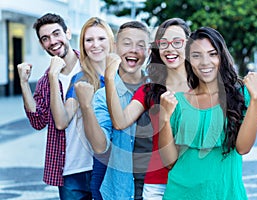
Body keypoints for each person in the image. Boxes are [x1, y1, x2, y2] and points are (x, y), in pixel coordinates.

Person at [158, 27, 257, 200]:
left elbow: (243, 148)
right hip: (181, 194)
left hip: (226, 194)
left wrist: (255, 98)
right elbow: (169, 162)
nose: (205, 62)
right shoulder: (177, 101)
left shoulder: (241, 96)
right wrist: (164, 118)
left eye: (212, 54)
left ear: (221, 57)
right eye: (196, 55)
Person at [104, 18, 190, 200]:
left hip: (191, 180)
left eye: (177, 42)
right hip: (156, 184)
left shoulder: (202, 89)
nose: (170, 48)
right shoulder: (149, 90)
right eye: (164, 43)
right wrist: (109, 78)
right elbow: (120, 122)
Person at [17, 13, 92, 199]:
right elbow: (38, 121)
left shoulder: (91, 67)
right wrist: (24, 83)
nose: (52, 41)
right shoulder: (45, 81)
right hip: (69, 171)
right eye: (45, 38)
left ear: (68, 33)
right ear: (42, 45)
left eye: (56, 33)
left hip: (100, 165)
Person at [75, 21, 151, 200]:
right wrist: (86, 107)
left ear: (148, 51)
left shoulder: (159, 90)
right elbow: (100, 147)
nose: (133, 49)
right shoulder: (103, 96)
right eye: (127, 43)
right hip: (121, 189)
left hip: (158, 189)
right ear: (115, 47)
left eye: (140, 45)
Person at [51, 17, 114, 200]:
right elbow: (61, 121)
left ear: (110, 41)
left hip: (114, 169)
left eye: (101, 39)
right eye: (89, 40)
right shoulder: (80, 80)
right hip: (81, 168)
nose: (95, 45)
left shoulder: (123, 78)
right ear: (83, 44)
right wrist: (53, 77)